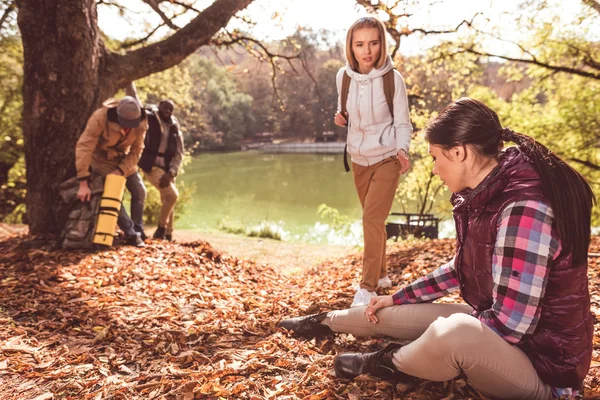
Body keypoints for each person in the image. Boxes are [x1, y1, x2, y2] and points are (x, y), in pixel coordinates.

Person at [279, 98, 595, 400]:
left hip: (542, 373)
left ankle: (386, 363)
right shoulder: (488, 195)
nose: (433, 169)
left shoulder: (522, 208)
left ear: (458, 153)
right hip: (506, 336)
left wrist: (435, 338)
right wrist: (395, 297)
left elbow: (510, 326)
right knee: (393, 313)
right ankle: (323, 321)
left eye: (435, 157)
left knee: (453, 331)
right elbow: (463, 269)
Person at [333, 17, 413, 307]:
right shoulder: (343, 77)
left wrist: (402, 150)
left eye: (373, 43)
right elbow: (346, 112)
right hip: (359, 159)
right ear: (351, 47)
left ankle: (366, 288)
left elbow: (403, 123)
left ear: (382, 43)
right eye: (360, 44)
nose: (367, 50)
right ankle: (380, 275)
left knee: (370, 219)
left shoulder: (393, 80)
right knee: (374, 221)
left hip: (387, 158)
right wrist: (341, 118)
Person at [75, 96, 148, 247]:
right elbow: (85, 146)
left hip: (124, 160)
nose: (128, 127)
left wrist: (121, 170)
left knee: (139, 191)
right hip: (102, 160)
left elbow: (137, 150)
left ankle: (138, 229)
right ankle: (131, 234)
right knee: (112, 194)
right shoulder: (100, 117)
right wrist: (83, 180)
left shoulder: (142, 120)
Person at [131, 99, 184, 241]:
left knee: (168, 200)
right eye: (165, 107)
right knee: (172, 195)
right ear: (159, 106)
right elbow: (135, 102)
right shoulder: (150, 117)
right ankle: (160, 229)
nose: (167, 110)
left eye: (171, 109)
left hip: (168, 168)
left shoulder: (174, 125)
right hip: (151, 166)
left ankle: (168, 235)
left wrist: (172, 172)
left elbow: (179, 152)